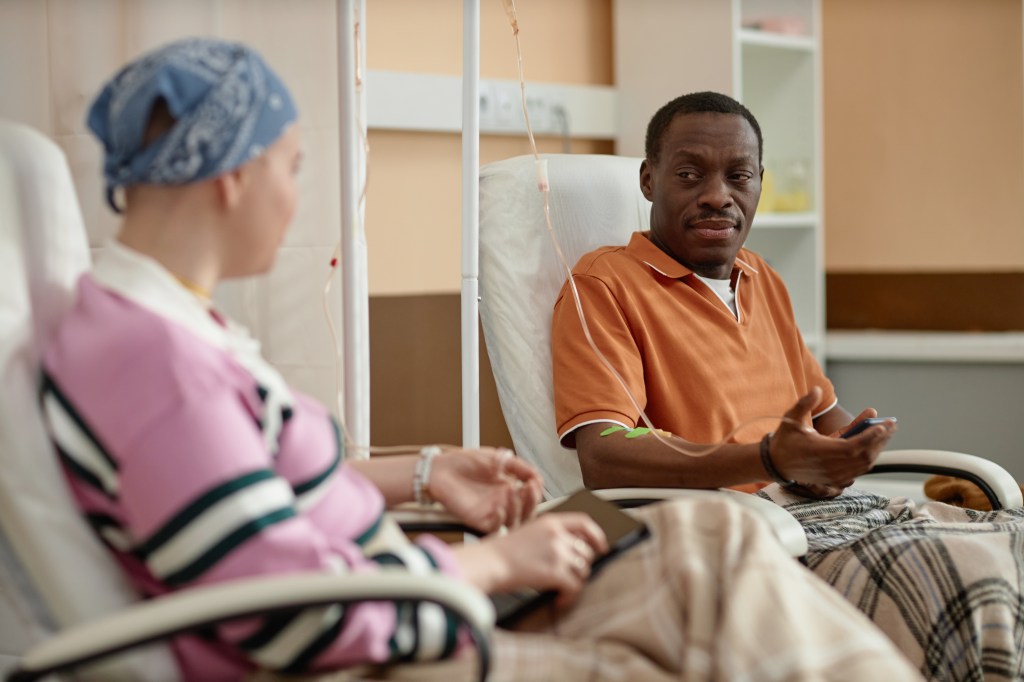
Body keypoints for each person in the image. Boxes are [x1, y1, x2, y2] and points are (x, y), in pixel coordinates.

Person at [41, 41, 921, 681]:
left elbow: (258, 500)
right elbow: (286, 611)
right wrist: (497, 566)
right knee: (719, 571)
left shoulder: (162, 332)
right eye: (295, 165)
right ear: (233, 178)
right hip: (391, 639)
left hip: (410, 599)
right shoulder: (156, 368)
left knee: (717, 546)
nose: (300, 196)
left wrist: (423, 472)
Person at [551, 90, 1024, 680]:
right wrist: (769, 460)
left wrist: (851, 446)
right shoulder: (603, 286)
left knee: (1013, 545)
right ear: (650, 180)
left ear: (759, 184)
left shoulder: (761, 277)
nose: (717, 196)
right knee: (968, 582)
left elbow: (822, 416)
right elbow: (603, 455)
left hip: (831, 513)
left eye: (738, 176)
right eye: (690, 174)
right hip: (745, 537)